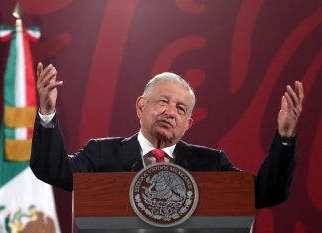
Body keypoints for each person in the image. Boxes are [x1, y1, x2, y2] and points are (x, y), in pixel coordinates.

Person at [30, 62, 304, 208]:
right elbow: (53, 170)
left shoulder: (210, 164)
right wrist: (46, 113)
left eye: (181, 108)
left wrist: (285, 137)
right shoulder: (102, 155)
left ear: (188, 124)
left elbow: (266, 193)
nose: (171, 111)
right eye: (163, 101)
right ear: (141, 106)